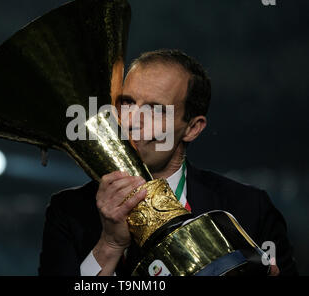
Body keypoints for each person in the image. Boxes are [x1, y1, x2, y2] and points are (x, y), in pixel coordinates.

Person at [38, 49, 297, 276]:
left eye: (156, 110)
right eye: (126, 103)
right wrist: (110, 245)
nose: (131, 121)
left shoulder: (250, 208)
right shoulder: (68, 211)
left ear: (193, 128)